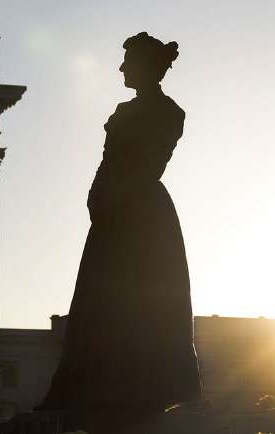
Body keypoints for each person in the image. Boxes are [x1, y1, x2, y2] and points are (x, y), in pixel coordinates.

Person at [38, 32, 201, 431]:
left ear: (146, 66)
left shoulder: (168, 113)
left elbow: (147, 162)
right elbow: (107, 162)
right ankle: (91, 387)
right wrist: (97, 197)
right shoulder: (123, 111)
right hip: (114, 213)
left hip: (142, 215)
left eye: (128, 60)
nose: (122, 68)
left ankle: (142, 388)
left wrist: (114, 196)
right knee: (99, 301)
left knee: (144, 303)